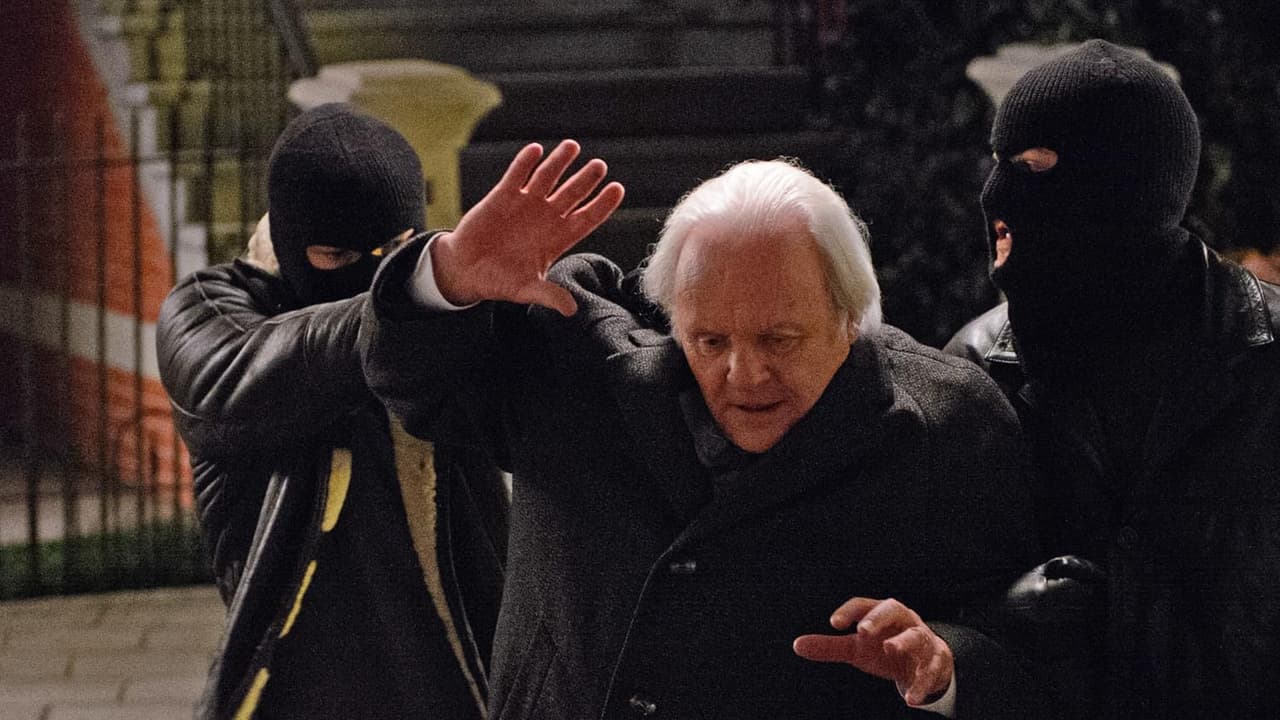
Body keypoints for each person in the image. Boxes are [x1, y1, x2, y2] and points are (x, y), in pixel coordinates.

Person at [362, 141, 1048, 718]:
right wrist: (447, 278)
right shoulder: (577, 368)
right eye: (710, 340)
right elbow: (416, 386)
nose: (744, 374)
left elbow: (1032, 647)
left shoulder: (950, 425)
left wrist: (946, 664)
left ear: (852, 316)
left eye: (779, 339)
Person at [945, 40, 1280, 719]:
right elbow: (946, 592)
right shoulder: (975, 368)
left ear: (1124, 190)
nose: (995, 196)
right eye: (998, 163)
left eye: (1032, 167)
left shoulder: (1267, 362)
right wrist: (994, 627)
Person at [156, 103, 508, 720]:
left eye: (395, 248)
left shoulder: (440, 312)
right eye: (337, 256)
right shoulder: (211, 310)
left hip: (462, 680)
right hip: (300, 687)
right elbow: (247, 379)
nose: (372, 273)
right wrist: (415, 295)